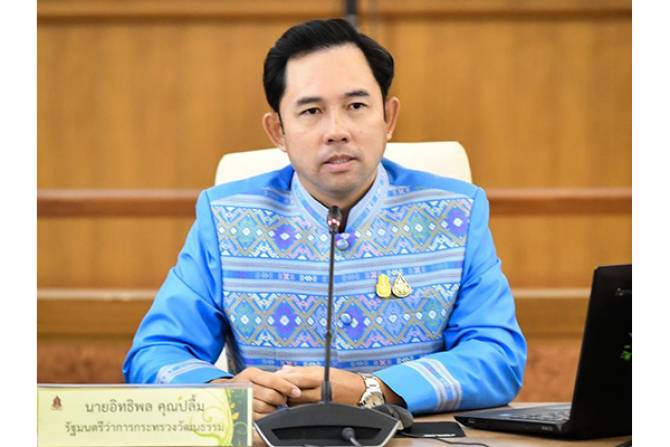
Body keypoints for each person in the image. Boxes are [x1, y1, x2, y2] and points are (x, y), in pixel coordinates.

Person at [123, 18, 527, 421]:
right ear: (278, 132)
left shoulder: (457, 211)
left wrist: (375, 390)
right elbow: (155, 353)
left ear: (388, 118)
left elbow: (498, 356)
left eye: (356, 106)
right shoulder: (225, 218)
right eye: (312, 111)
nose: (337, 131)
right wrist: (219, 392)